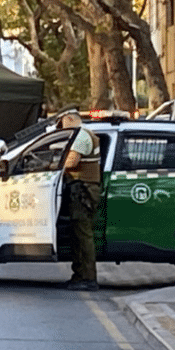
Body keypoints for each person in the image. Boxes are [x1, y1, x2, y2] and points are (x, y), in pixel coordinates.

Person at [58, 111, 101, 291]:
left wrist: (54, 164)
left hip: (83, 190)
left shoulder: (81, 135)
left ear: (69, 119)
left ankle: (88, 278)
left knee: (83, 236)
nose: (62, 127)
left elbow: (71, 162)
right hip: (82, 189)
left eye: (62, 123)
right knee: (78, 235)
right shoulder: (85, 133)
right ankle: (79, 275)